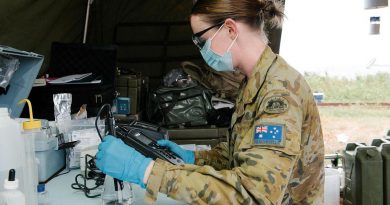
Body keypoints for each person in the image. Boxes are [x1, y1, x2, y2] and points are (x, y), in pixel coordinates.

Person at [95, 0, 325, 204]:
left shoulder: (279, 93)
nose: (201, 50)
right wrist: (193, 158)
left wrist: (146, 171)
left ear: (230, 29)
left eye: (202, 40)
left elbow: (253, 196)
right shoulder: (255, 81)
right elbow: (242, 153)